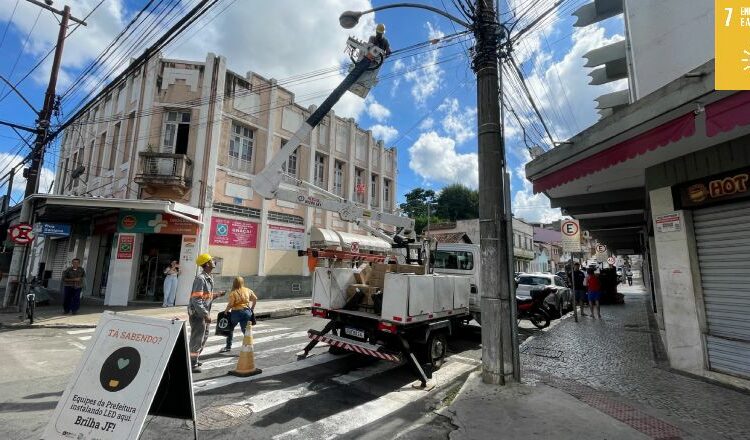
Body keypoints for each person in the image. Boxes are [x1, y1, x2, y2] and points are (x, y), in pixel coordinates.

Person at [188, 253, 226, 373]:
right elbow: (196, 299)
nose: (213, 262)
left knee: (203, 336)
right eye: (211, 260)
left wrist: (217, 295)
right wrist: (205, 314)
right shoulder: (201, 279)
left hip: (203, 313)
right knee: (197, 338)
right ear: (207, 264)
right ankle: (192, 363)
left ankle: (195, 358)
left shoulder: (208, 277)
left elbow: (205, 297)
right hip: (198, 314)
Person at [221, 277, 258, 353]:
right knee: (245, 331)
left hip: (236, 313)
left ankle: (228, 347)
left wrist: (226, 311)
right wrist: (252, 308)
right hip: (247, 312)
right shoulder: (248, 290)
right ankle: (249, 347)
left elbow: (231, 304)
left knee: (230, 329)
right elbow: (255, 299)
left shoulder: (233, 292)